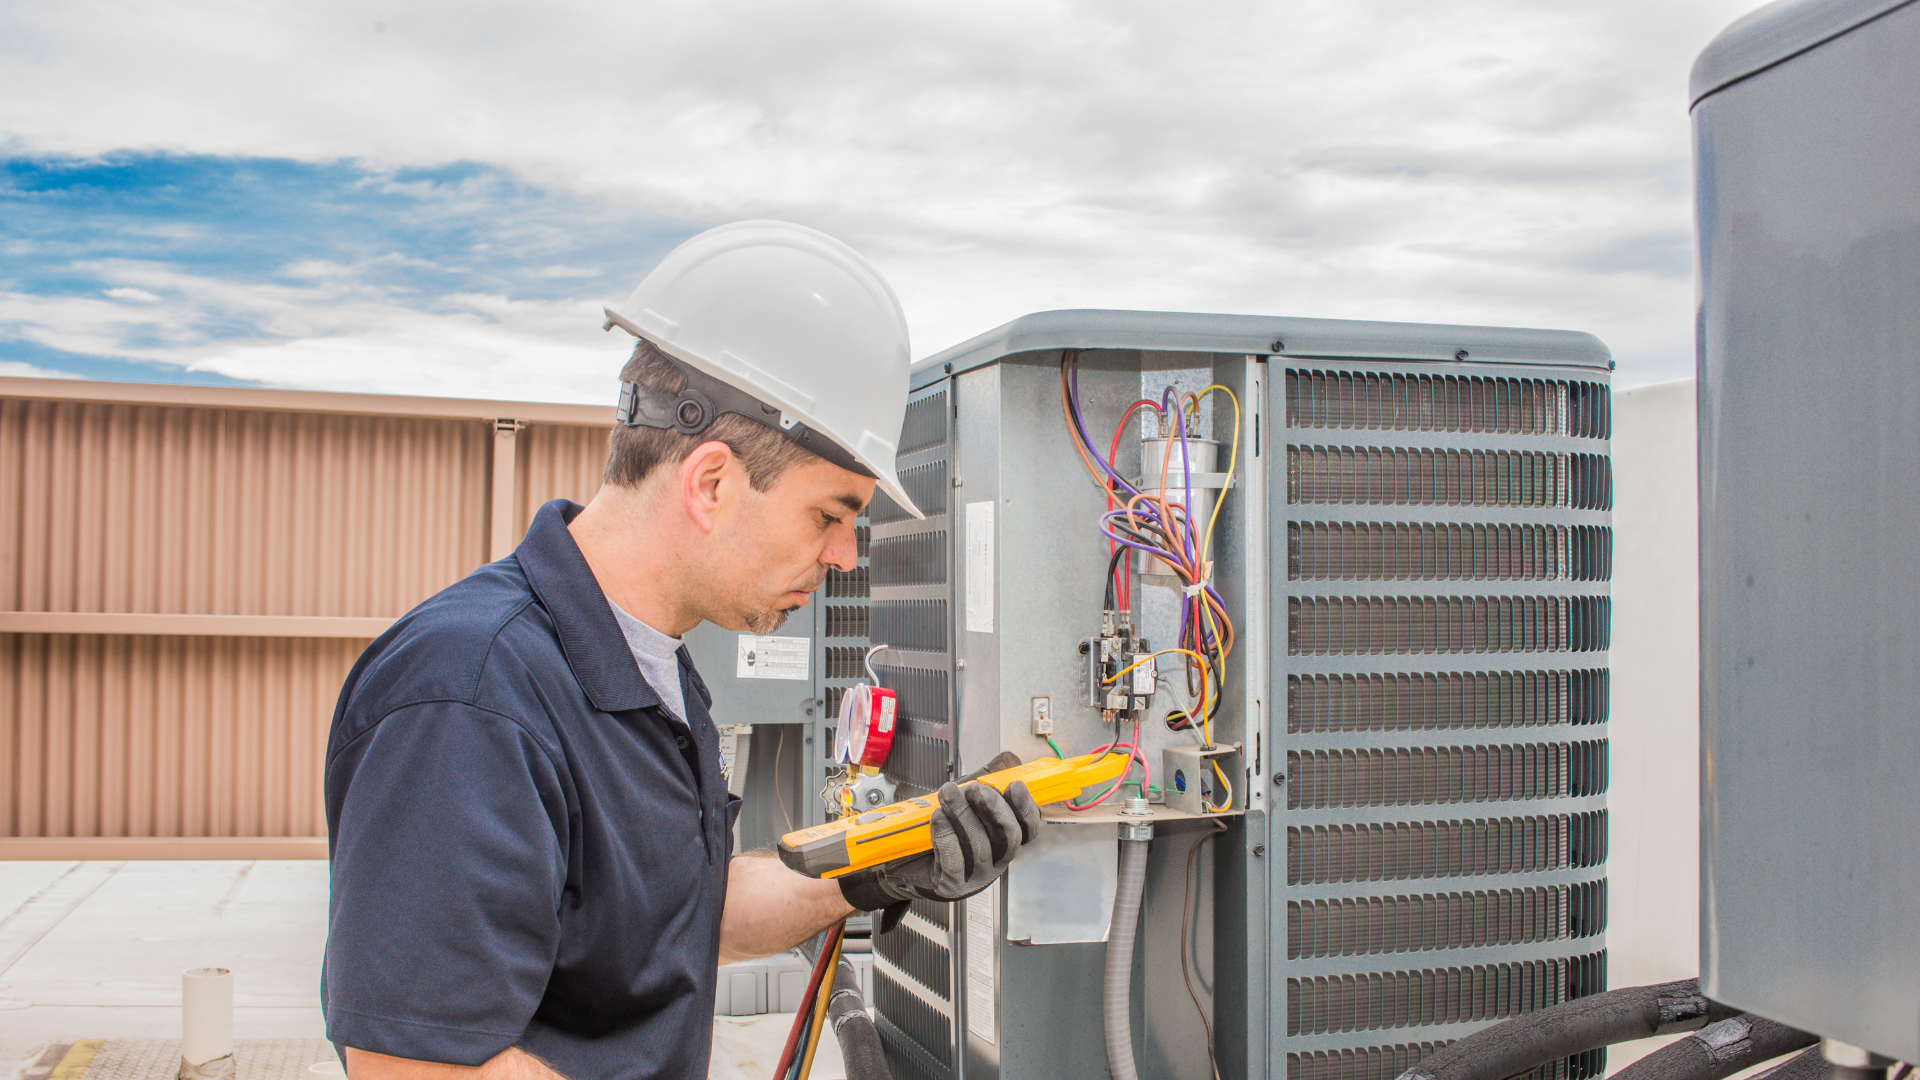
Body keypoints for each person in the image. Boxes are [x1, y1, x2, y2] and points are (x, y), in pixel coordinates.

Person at [321, 222, 1042, 1080]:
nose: (846, 555)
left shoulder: (648, 670)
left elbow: (687, 918)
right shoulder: (469, 697)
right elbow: (417, 1065)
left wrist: (888, 862)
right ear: (710, 482)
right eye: (830, 515)